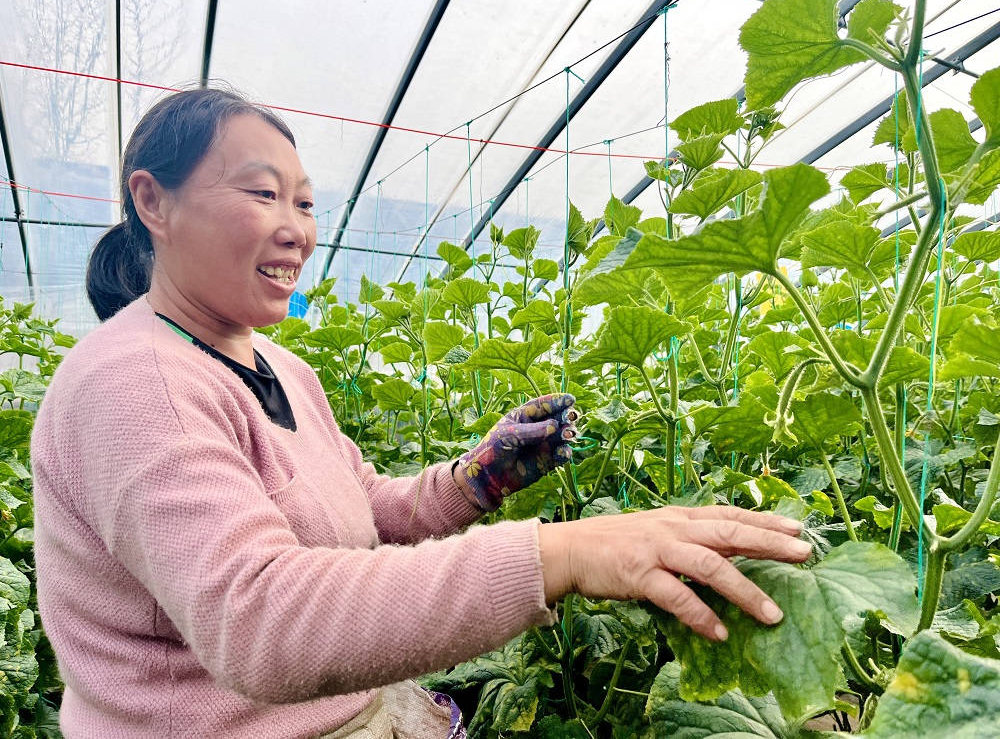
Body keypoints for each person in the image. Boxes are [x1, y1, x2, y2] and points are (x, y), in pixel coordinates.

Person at [31, 88, 811, 738]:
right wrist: (557, 554)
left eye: (304, 204)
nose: (296, 229)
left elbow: (361, 506)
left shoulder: (280, 367)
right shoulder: (133, 380)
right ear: (152, 201)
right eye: (262, 193)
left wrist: (473, 481)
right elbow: (258, 617)